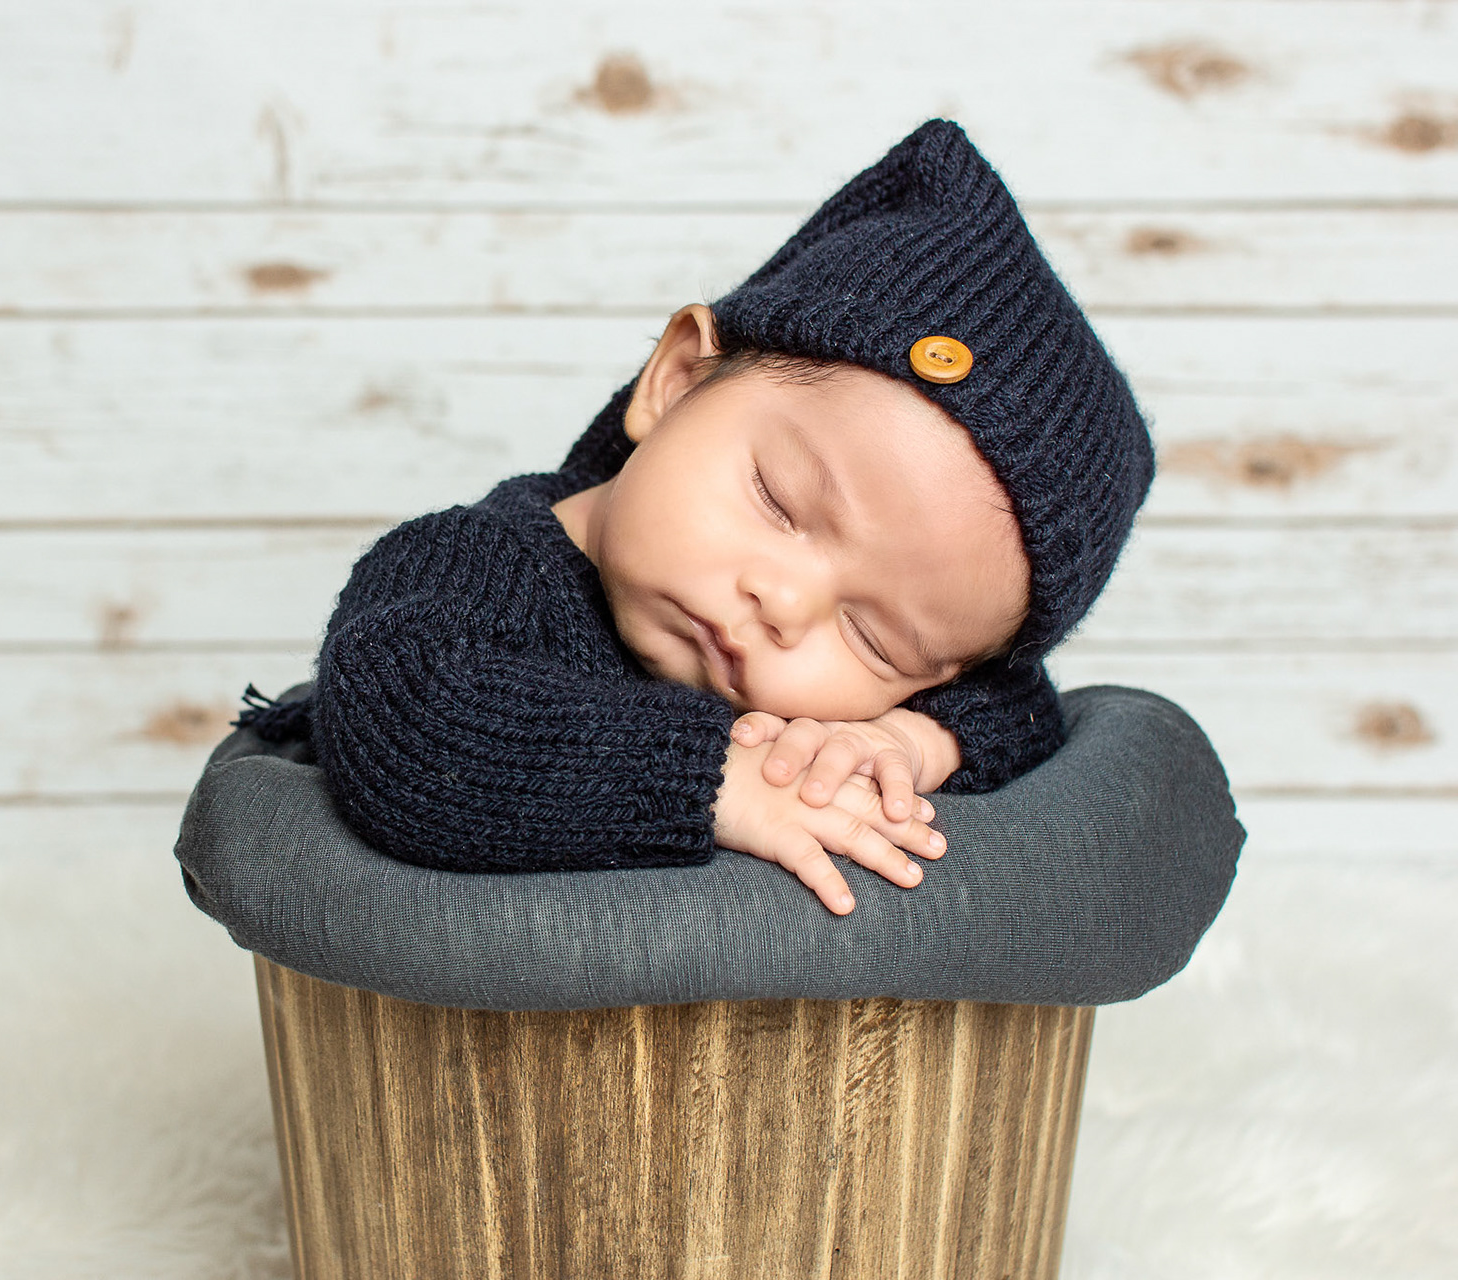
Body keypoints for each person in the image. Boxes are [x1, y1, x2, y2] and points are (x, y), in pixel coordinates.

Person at [238, 119, 1153, 915]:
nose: (783, 605)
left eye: (875, 642)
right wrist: (716, 779)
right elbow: (410, 717)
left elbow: (1020, 704)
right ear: (675, 384)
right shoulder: (473, 566)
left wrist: (907, 740)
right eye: (778, 502)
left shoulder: (884, 707)